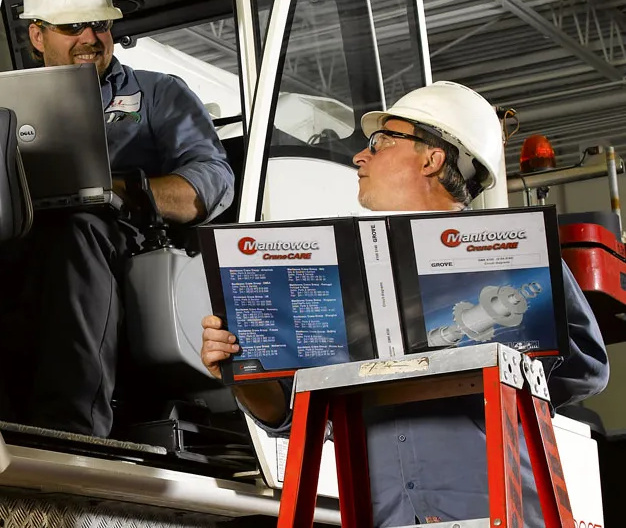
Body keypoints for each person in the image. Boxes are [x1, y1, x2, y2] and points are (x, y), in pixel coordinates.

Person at [199, 81, 609, 526]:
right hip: (386, 514)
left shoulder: (516, 253)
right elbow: (286, 416)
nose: (360, 156)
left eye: (380, 143)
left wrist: (496, 366)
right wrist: (241, 368)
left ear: (432, 158)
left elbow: (586, 367)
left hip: (495, 509)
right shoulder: (337, 275)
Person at [0, 0, 234, 438]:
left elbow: (212, 180)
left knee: (79, 230)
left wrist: (122, 191)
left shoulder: (159, 94)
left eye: (99, 25)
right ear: (37, 35)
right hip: (22, 235)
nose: (90, 39)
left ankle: (73, 430)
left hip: (122, 236)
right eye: (72, 27)